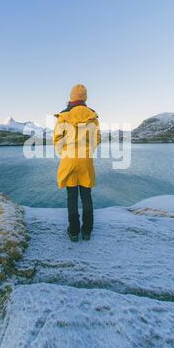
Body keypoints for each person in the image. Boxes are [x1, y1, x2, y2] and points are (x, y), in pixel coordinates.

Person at [53, 84, 101, 242]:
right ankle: (87, 231)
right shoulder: (92, 116)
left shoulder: (63, 116)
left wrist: (65, 153)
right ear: (85, 97)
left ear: (71, 97)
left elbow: (57, 139)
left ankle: (73, 231)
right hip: (85, 160)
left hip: (69, 160)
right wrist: (88, 151)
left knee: (72, 197)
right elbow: (97, 139)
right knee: (86, 196)